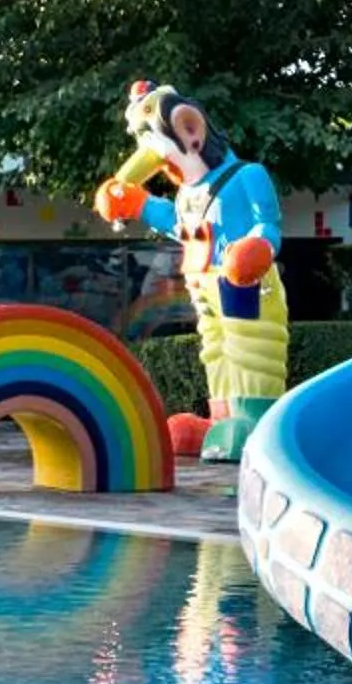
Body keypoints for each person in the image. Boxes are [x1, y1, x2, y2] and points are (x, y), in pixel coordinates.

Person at [92, 82, 288, 459]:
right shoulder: (186, 194)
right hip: (204, 283)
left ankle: (254, 422)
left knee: (249, 348)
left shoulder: (247, 175)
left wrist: (257, 248)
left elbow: (268, 225)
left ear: (191, 129)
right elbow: (180, 225)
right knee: (215, 348)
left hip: (244, 280)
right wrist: (137, 203)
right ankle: (221, 422)